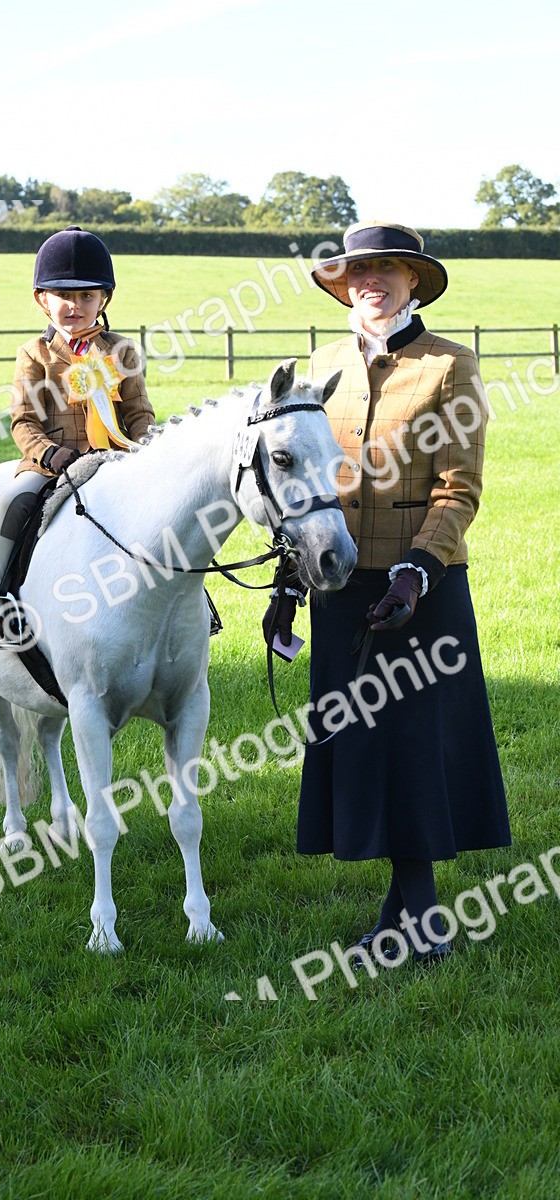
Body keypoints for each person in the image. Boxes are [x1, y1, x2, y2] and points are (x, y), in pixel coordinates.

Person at [266, 220, 510, 967]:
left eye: (386, 272)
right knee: (365, 747)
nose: (370, 283)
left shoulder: (449, 366)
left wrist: (417, 570)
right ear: (345, 286)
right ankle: (407, 916)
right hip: (339, 580)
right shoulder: (325, 361)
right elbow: (302, 486)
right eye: (357, 273)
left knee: (415, 748)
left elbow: (458, 489)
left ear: (412, 281)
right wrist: (287, 583)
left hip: (422, 588)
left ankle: (423, 921)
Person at [0, 225, 155, 646]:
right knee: (13, 500)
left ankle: (192, 597)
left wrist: (146, 452)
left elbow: (139, 412)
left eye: (87, 296)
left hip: (114, 460)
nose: (75, 306)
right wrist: (50, 455)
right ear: (42, 299)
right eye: (64, 296)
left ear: (103, 299)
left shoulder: (121, 350)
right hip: (53, 465)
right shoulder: (34, 354)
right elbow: (22, 420)